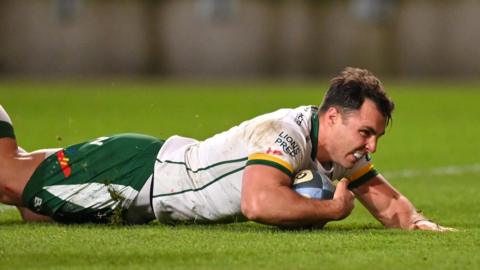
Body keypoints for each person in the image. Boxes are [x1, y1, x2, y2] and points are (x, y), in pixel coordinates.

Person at [0, 67, 454, 231]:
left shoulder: (334, 148)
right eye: (367, 134)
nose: (371, 146)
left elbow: (387, 202)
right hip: (136, 178)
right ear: (333, 116)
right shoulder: (287, 133)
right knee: (9, 177)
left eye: (377, 138)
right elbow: (258, 202)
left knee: (34, 202)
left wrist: (421, 225)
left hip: (147, 173)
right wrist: (332, 211)